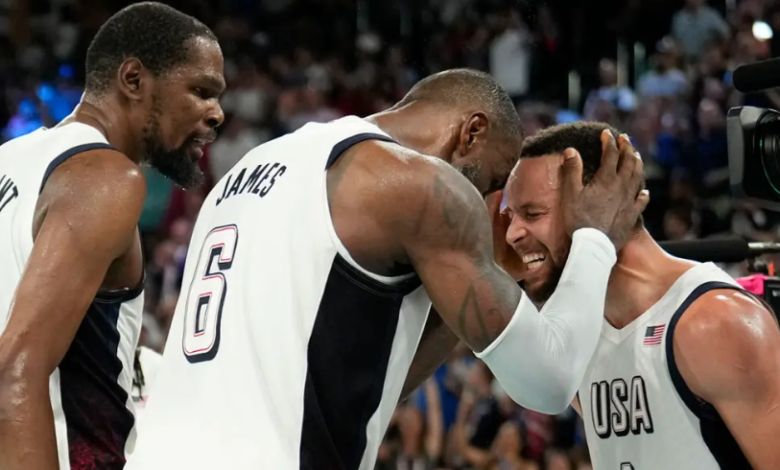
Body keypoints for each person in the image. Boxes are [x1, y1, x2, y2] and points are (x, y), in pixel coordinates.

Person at [126, 69, 647, 470]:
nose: (491, 206)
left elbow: (371, 383)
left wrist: (489, 271)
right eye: (492, 182)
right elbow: (549, 382)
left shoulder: (254, 165)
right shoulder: (420, 186)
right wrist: (594, 238)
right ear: (471, 133)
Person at [0, 3, 225, 469]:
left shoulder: (12, 159)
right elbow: (16, 370)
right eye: (201, 91)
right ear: (134, 80)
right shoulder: (107, 177)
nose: (216, 113)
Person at [499, 121, 780, 470]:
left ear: (605, 203)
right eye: (510, 216)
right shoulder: (579, 338)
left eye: (533, 213)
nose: (511, 233)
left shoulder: (714, 321)